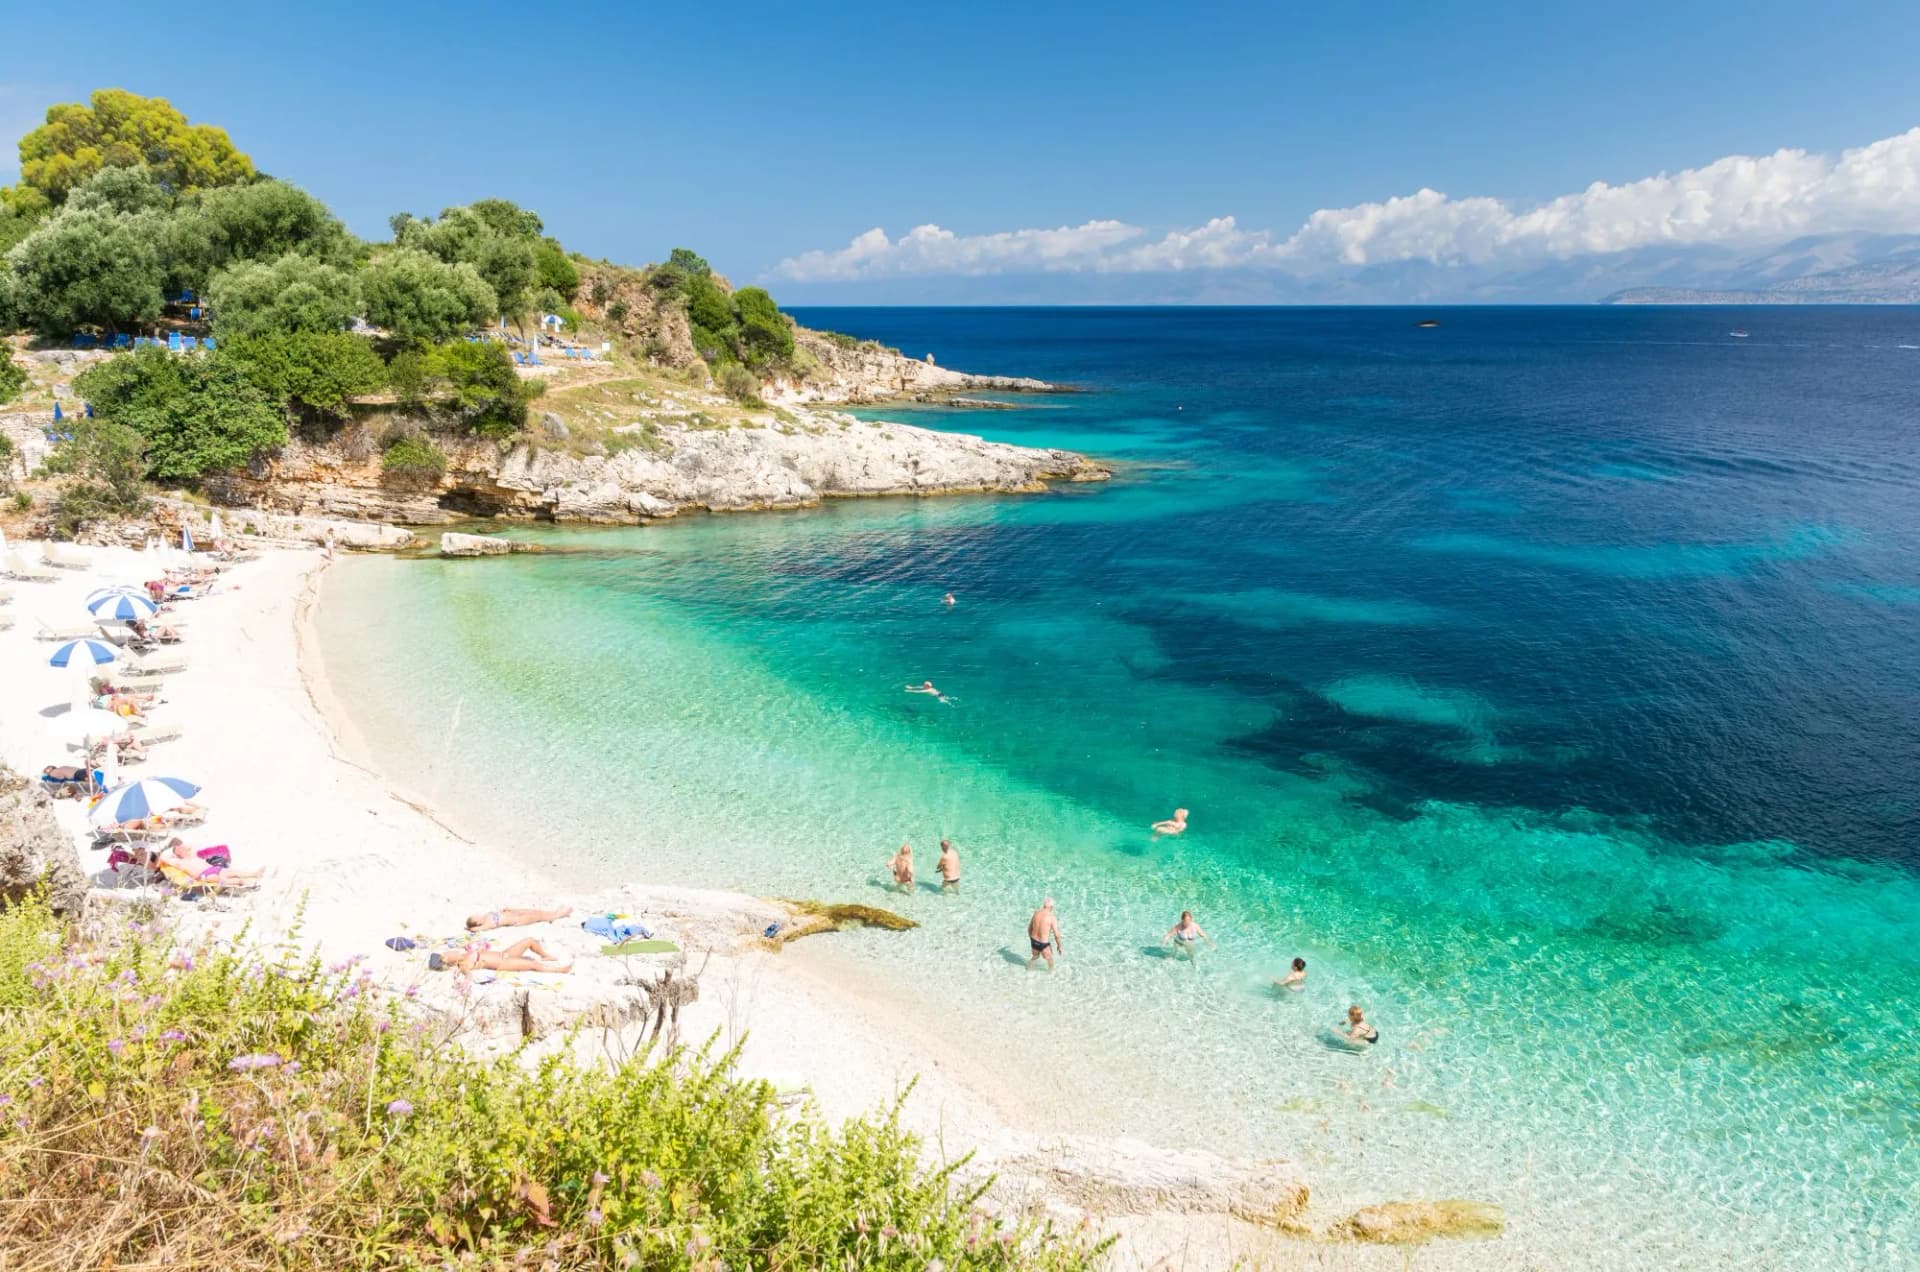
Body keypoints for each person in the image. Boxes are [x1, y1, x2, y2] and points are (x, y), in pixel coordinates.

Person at [429, 937, 572, 975]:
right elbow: (468, 975)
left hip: (505, 954)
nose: (448, 952)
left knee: (529, 941)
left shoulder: (464, 953)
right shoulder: (463, 964)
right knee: (532, 965)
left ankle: (545, 955)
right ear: (449, 961)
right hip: (504, 964)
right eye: (446, 955)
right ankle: (559, 970)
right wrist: (466, 981)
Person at [164, 837, 262, 884]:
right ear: (176, 854)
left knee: (233, 872)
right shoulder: (180, 862)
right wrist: (172, 851)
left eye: (181, 847)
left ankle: (254, 874)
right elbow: (164, 858)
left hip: (214, 868)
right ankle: (240, 882)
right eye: (178, 849)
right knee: (216, 879)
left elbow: (193, 844)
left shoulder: (192, 854)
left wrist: (183, 847)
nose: (181, 848)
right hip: (204, 875)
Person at [466, 904, 573, 932]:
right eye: (476, 917)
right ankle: (561, 914)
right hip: (517, 920)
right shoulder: (486, 925)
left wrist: (507, 909)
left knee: (538, 912)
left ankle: (555, 913)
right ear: (478, 923)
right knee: (539, 916)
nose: (477, 915)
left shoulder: (485, 916)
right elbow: (473, 929)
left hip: (515, 912)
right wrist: (469, 928)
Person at [1027, 898, 1063, 971]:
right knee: (1050, 960)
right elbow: (1057, 935)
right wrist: (1059, 946)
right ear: (1052, 907)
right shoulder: (1052, 918)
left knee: (1035, 956)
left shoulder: (1036, 913)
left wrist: (1032, 939)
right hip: (1043, 944)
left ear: (1044, 905)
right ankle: (1051, 974)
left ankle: (1028, 969)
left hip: (1034, 941)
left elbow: (1029, 929)